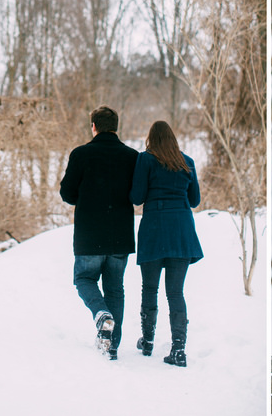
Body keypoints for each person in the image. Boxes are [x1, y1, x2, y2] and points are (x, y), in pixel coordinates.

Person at [59, 106, 138, 360]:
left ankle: (101, 315)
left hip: (89, 234)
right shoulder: (132, 156)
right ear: (116, 126)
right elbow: (137, 196)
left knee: (84, 279)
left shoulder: (81, 154)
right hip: (120, 235)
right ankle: (111, 346)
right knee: (115, 288)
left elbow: (67, 193)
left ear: (93, 126)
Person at [129, 120, 203, 367]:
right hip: (181, 230)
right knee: (175, 292)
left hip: (153, 230)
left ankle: (148, 341)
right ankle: (179, 350)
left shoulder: (145, 159)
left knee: (149, 288)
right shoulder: (187, 162)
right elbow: (194, 201)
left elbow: (136, 198)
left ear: (151, 138)